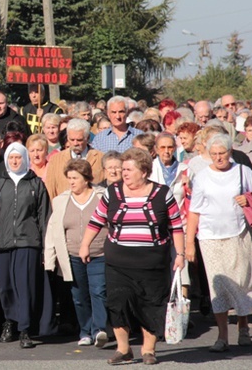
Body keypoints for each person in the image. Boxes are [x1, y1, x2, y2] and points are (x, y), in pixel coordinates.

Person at [79, 148, 185, 366]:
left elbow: (176, 226)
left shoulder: (163, 193)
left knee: (151, 304)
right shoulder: (113, 192)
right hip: (118, 262)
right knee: (118, 303)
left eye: (128, 169)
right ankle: (124, 349)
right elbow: (97, 220)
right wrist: (85, 244)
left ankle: (148, 350)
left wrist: (181, 254)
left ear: (144, 171)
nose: (123, 173)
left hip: (153, 262)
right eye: (122, 168)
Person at [186, 133, 252, 353]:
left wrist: (248, 199)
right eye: (213, 154)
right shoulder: (202, 177)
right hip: (209, 237)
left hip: (239, 234)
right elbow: (194, 211)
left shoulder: (244, 172)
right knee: (218, 287)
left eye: (222, 153)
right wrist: (189, 243)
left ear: (230, 152)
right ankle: (222, 336)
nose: (218, 158)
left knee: (239, 282)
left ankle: (243, 328)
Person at [0, 142, 53, 349]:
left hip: (28, 241)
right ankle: (9, 321)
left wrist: (44, 248)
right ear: (7, 159)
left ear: (25, 158)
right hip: (2, 244)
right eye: (12, 158)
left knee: (25, 285)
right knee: (5, 286)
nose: (15, 161)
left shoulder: (36, 184)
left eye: (18, 157)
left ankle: (24, 329)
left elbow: (43, 217)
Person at [45, 159, 108, 348]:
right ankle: (85, 331)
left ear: (86, 179)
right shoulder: (61, 200)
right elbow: (53, 231)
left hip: (99, 253)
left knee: (98, 291)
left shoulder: (102, 197)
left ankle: (99, 330)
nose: (71, 182)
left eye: (75, 178)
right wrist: (49, 259)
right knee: (79, 296)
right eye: (69, 178)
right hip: (71, 255)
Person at [45, 119, 104, 200]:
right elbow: (50, 191)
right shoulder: (55, 160)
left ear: (88, 138)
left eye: (79, 140)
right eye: (72, 140)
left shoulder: (101, 158)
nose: (75, 143)